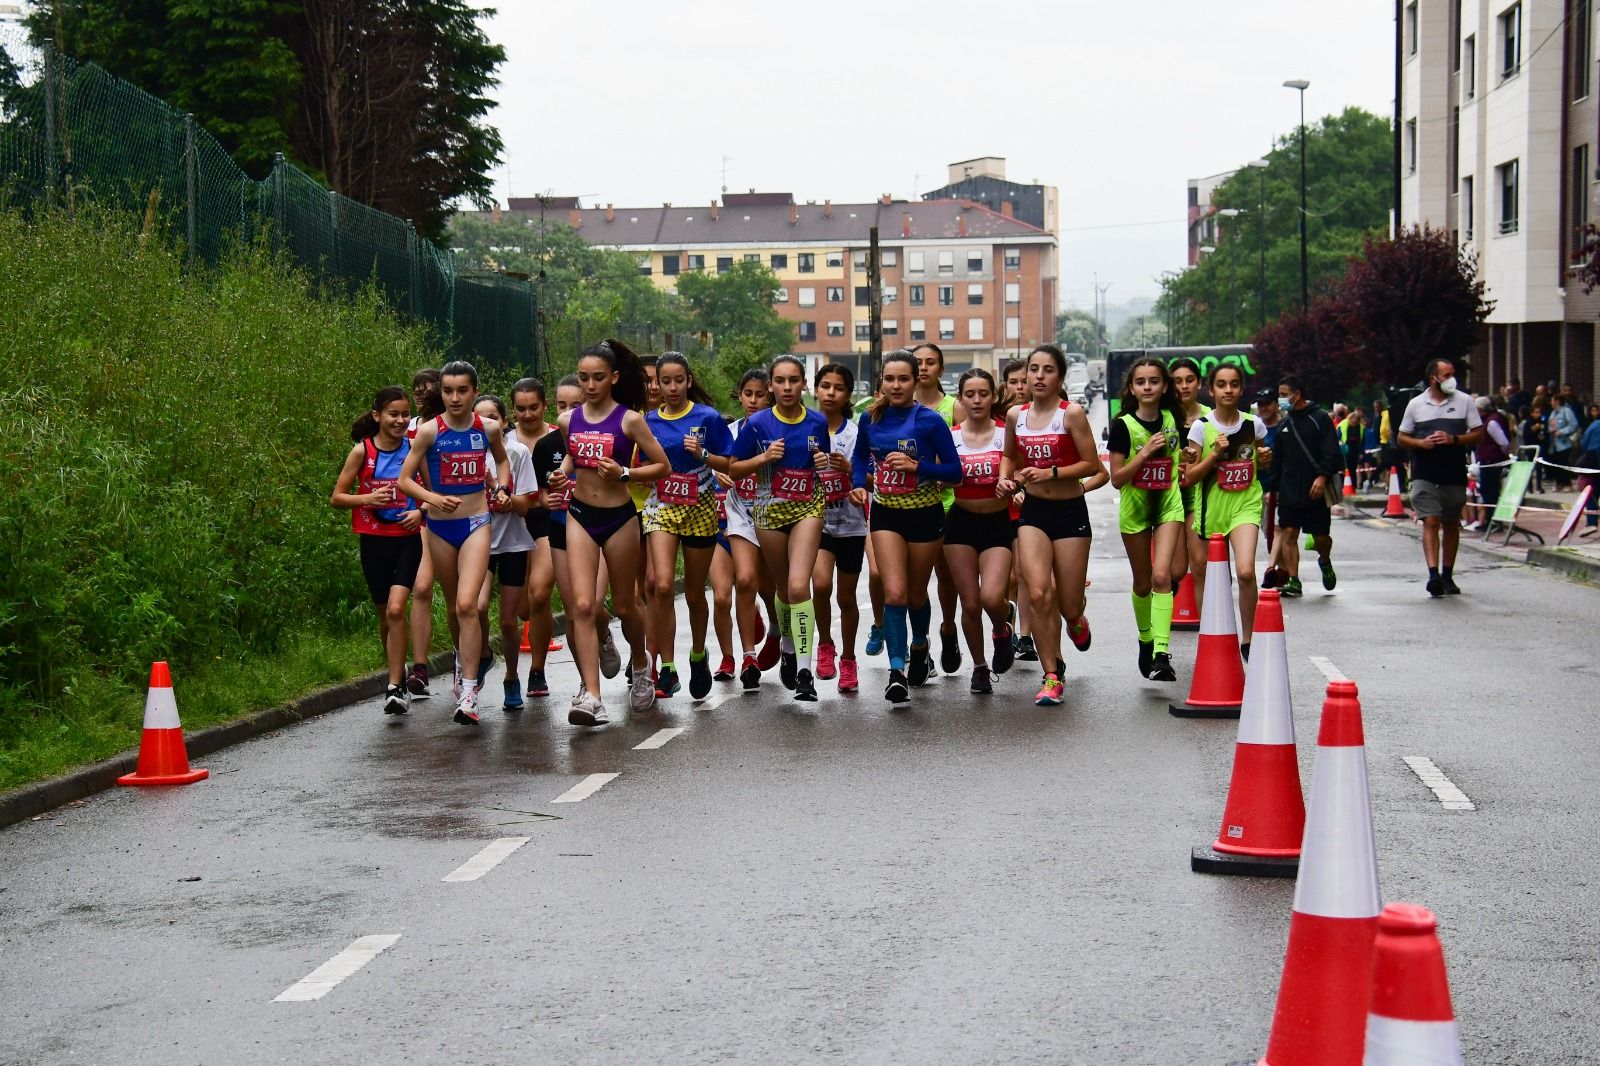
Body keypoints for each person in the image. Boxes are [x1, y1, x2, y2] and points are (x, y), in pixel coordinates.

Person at [556, 339, 671, 725]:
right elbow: (573, 454)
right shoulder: (568, 420)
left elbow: (662, 467)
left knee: (625, 606)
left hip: (619, 517)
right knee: (583, 606)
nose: (589, 385)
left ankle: (641, 664)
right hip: (579, 515)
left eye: (598, 378)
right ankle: (591, 695)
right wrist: (564, 473)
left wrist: (625, 473)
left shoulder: (629, 420)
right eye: (584, 377)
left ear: (614, 378)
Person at [395, 361, 510, 724]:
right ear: (440, 393)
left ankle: (470, 692)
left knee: (468, 604)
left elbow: (503, 463)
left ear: (475, 392)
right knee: (452, 605)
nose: (455, 397)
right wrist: (430, 497)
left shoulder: (487, 428)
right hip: (441, 528)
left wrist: (502, 488)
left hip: (477, 523)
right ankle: (465, 662)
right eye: (448, 391)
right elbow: (403, 480)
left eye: (462, 390)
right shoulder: (430, 431)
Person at [849, 350, 962, 704]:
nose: (896, 385)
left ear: (916, 382)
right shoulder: (871, 418)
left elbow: (955, 473)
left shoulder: (929, 421)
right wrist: (858, 482)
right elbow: (858, 457)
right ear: (881, 381)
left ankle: (921, 644)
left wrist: (918, 467)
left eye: (903, 379)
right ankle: (896, 670)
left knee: (915, 594)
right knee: (893, 592)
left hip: (926, 514)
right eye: (890, 379)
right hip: (886, 514)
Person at [998, 344, 1104, 707]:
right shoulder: (1016, 415)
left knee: (1068, 602)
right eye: (1034, 370)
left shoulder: (1070, 414)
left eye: (1047, 370)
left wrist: (1050, 472)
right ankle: (1052, 674)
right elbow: (1009, 455)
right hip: (1034, 513)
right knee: (1039, 592)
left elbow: (1092, 464)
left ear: (1060, 378)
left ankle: (1076, 619)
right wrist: (1005, 478)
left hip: (1070, 512)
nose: (1039, 376)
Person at [729, 355, 834, 703]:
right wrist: (763, 459)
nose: (787, 387)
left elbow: (823, 463)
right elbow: (734, 468)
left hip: (808, 506)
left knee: (798, 584)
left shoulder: (817, 422)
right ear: (771, 385)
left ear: (803, 383)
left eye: (793, 380)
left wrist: (823, 462)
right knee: (783, 589)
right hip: (768, 511)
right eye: (780, 381)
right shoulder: (757, 425)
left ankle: (805, 671)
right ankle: (787, 644)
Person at [642, 352, 733, 701]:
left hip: (700, 509)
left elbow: (731, 462)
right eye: (665, 381)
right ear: (657, 385)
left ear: (689, 381)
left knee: (695, 593)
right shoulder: (648, 421)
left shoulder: (707, 417)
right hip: (661, 507)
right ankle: (667, 666)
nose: (673, 387)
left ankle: (698, 655)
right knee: (662, 586)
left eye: (679, 380)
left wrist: (703, 456)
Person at [331, 386, 425, 716]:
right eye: (392, 414)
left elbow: (432, 491)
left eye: (404, 414)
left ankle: (395, 686)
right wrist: (367, 499)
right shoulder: (363, 452)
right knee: (386, 617)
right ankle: (396, 673)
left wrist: (421, 511)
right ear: (377, 416)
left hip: (407, 539)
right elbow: (338, 497)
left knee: (398, 610)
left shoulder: (415, 448)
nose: (400, 420)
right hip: (373, 540)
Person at [1182, 365, 1271, 655]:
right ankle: (1212, 635)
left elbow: (1261, 459)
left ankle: (1249, 641)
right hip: (1212, 508)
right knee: (1210, 578)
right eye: (1222, 384)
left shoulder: (1253, 424)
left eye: (1234, 384)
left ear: (1241, 389)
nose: (1228, 390)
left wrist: (1266, 457)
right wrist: (1215, 455)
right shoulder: (1202, 427)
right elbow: (1189, 477)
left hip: (1245, 504)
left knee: (1245, 572)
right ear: (1212, 390)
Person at [1107, 358, 1186, 682]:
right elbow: (1116, 478)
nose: (1148, 387)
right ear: (1132, 389)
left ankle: (1161, 654)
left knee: (1162, 576)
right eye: (1141, 382)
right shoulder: (1123, 425)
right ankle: (1145, 638)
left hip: (1168, 504)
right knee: (1143, 582)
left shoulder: (1172, 418)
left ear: (1164, 386)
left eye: (1154, 381)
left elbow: (1180, 458)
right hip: (1136, 510)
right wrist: (1143, 454)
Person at [943, 369, 1017, 694]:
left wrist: (1014, 485)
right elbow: (937, 475)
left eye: (983, 394)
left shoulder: (1006, 434)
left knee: (990, 597)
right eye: (969, 394)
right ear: (960, 398)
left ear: (992, 397)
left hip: (998, 523)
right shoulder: (950, 436)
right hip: (960, 523)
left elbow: (1022, 472)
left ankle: (1002, 627)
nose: (976, 400)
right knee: (970, 604)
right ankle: (980, 666)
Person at [1397, 358, 1484, 597]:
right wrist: (1420, 443)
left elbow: (1478, 433)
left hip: (1453, 471)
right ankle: (1433, 574)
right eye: (1446, 375)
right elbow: (1402, 437)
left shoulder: (1464, 401)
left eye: (1452, 374)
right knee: (1431, 521)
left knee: (1450, 523)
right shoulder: (1416, 404)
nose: (1451, 379)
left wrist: (1454, 439)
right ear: (1433, 378)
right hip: (1424, 472)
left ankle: (1448, 574)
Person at [474, 395, 537, 712]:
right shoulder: (466, 453)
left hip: (512, 543)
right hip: (479, 543)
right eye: (480, 418)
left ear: (504, 422)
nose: (486, 425)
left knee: (509, 621)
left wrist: (507, 500)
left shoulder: (517, 453)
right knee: (477, 605)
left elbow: (527, 505)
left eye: (492, 418)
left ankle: (512, 677)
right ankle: (484, 653)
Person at [723, 368, 784, 689]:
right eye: (748, 394)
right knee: (744, 580)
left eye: (760, 394)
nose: (753, 400)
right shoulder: (730, 431)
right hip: (740, 514)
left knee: (769, 585)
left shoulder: (781, 429)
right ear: (740, 396)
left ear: (770, 395)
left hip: (775, 514)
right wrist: (718, 471)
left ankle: (775, 627)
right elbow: (720, 463)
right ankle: (748, 656)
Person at [811, 363, 867, 694]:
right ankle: (825, 645)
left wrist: (850, 471)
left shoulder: (856, 433)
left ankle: (848, 658)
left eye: (838, 387)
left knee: (846, 597)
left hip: (852, 524)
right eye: (825, 386)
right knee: (820, 585)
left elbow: (871, 476)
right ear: (816, 389)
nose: (831, 393)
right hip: (815, 523)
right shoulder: (805, 428)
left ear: (847, 394)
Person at [911, 342, 964, 676]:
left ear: (941, 370)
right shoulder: (901, 408)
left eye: (931, 362)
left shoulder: (953, 407)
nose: (924, 368)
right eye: (918, 362)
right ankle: (921, 643)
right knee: (914, 583)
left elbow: (962, 453)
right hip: (910, 505)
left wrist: (943, 473)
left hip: (948, 504)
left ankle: (948, 628)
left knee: (946, 576)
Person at [1270, 376, 1341, 598]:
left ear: (1296, 394)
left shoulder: (1319, 419)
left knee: (1320, 537)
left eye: (1283, 394)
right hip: (1289, 491)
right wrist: (1271, 489)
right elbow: (1277, 461)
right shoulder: (1283, 424)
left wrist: (1322, 477)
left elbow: (1332, 453)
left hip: (1315, 491)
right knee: (1289, 533)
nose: (1280, 399)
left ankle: (1325, 559)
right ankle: (1294, 580)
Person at [509, 378, 558, 700]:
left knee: (540, 594)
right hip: (511, 524)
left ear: (545, 406)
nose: (528, 414)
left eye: (534, 408)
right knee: (523, 607)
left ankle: (537, 670)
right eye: (521, 408)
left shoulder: (559, 438)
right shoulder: (502, 441)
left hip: (548, 524)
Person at [404, 369, 443, 698]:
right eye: (416, 388)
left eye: (427, 388)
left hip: (458, 514)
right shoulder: (409, 427)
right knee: (422, 587)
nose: (420, 393)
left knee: (465, 598)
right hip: (419, 516)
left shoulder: (457, 426)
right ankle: (419, 668)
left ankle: (468, 660)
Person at [1000, 358, 1036, 662]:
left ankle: (1025, 637)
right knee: (1008, 578)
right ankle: (1007, 628)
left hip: (1032, 507)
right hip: (1000, 507)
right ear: (1004, 385)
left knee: (1024, 574)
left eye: (1024, 381)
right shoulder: (998, 419)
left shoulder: (1042, 419)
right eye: (1014, 382)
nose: (1020, 387)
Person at [1169, 358, 1212, 616]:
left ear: (1199, 383)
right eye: (1177, 381)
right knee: (1174, 570)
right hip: (1170, 498)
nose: (1184, 386)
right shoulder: (1164, 418)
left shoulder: (1210, 417)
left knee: (1200, 564)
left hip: (1200, 498)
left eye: (1189, 380)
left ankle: (1209, 630)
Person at [1469, 394, 1513, 530]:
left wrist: (1503, 456)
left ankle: (1493, 522)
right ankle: (1490, 521)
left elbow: (1504, 443)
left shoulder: (1491, 422)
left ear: (1481, 409)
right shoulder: (1488, 420)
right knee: (1488, 491)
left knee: (1490, 491)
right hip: (1488, 460)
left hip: (1492, 461)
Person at [1255, 388, 1285, 587]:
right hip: (1258, 487)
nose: (1264, 408)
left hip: (1282, 487)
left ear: (1276, 404)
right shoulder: (1254, 427)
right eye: (1260, 404)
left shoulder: (1285, 426)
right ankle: (1282, 571)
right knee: (1269, 531)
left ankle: (1274, 571)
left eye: (1267, 403)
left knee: (1280, 529)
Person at [1548, 393, 1582, 490]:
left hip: (1564, 442)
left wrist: (1562, 432)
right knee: (1556, 463)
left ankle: (1567, 484)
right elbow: (1551, 424)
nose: (1551, 403)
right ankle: (1559, 483)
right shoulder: (1553, 413)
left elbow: (1573, 424)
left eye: (1552, 400)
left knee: (1564, 463)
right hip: (1554, 443)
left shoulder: (1566, 411)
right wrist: (1550, 429)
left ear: (1557, 401)